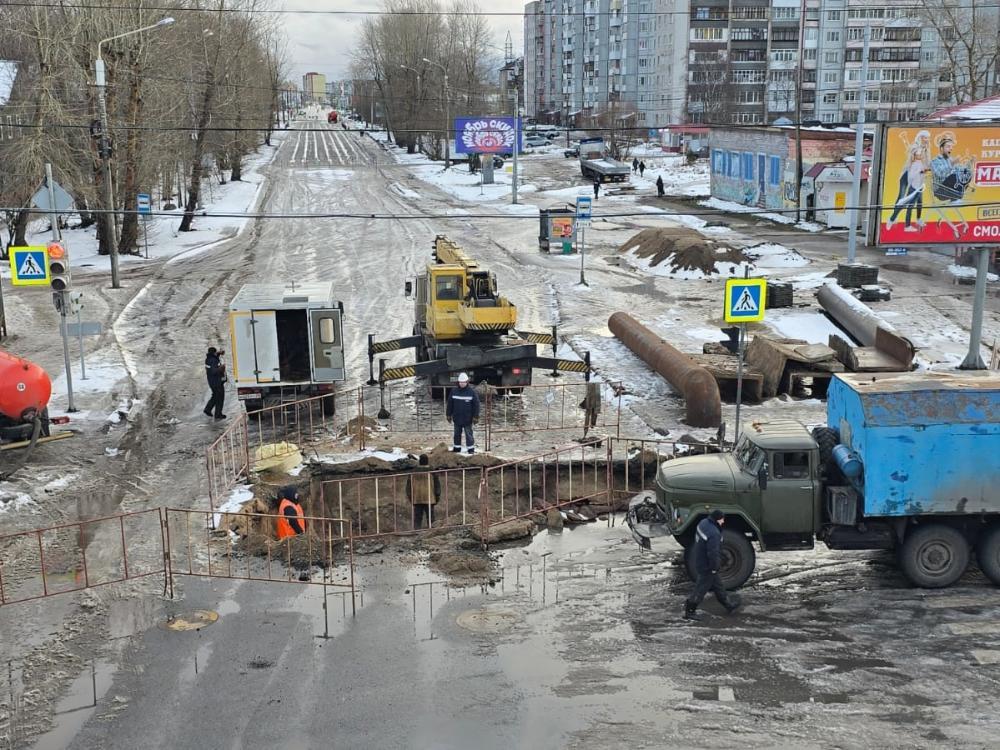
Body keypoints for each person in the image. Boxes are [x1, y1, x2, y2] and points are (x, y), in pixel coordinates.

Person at [684, 510, 742, 621]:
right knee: (701, 588)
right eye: (722, 519)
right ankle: (690, 611)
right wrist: (714, 567)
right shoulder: (714, 533)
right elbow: (713, 553)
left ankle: (728, 605)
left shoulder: (703, 523)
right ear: (717, 519)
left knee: (718, 585)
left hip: (700, 558)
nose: (723, 521)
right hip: (707, 565)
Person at [929, 131, 974, 239]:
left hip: (952, 189)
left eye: (951, 147)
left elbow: (961, 171)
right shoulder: (935, 161)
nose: (950, 149)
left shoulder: (951, 159)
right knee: (954, 176)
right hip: (941, 190)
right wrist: (952, 164)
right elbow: (939, 173)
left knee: (965, 174)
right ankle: (957, 197)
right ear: (941, 148)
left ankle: (957, 197)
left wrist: (970, 163)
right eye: (948, 146)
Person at [886, 129, 930, 233]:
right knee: (903, 198)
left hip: (918, 178)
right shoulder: (916, 148)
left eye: (927, 138)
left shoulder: (926, 150)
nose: (926, 140)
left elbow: (926, 163)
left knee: (919, 201)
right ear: (920, 137)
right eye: (924, 137)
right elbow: (911, 153)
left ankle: (917, 219)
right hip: (908, 175)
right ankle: (893, 218)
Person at [446, 372, 480, 454]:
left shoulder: (472, 392)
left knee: (469, 435)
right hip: (457, 418)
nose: (462, 384)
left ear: (467, 382)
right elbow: (450, 403)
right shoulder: (454, 391)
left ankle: (470, 449)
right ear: (458, 382)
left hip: (467, 419)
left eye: (463, 382)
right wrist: (448, 414)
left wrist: (476, 416)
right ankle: (457, 448)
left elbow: (476, 405)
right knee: (457, 434)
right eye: (460, 382)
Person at [407, 454, 441, 529]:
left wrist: (410, 497)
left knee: (418, 517)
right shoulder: (432, 471)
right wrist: (437, 496)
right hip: (430, 497)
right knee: (430, 517)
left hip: (417, 498)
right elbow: (437, 485)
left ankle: (416, 531)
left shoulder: (413, 472)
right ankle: (432, 531)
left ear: (419, 461)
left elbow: (408, 487)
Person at [203, 346, 227, 420]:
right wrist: (221, 368)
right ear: (213, 352)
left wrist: (219, 353)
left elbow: (215, 356)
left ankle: (208, 409)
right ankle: (217, 414)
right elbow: (213, 371)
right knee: (220, 397)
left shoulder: (209, 358)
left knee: (215, 396)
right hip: (217, 382)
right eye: (216, 352)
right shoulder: (212, 360)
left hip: (213, 382)